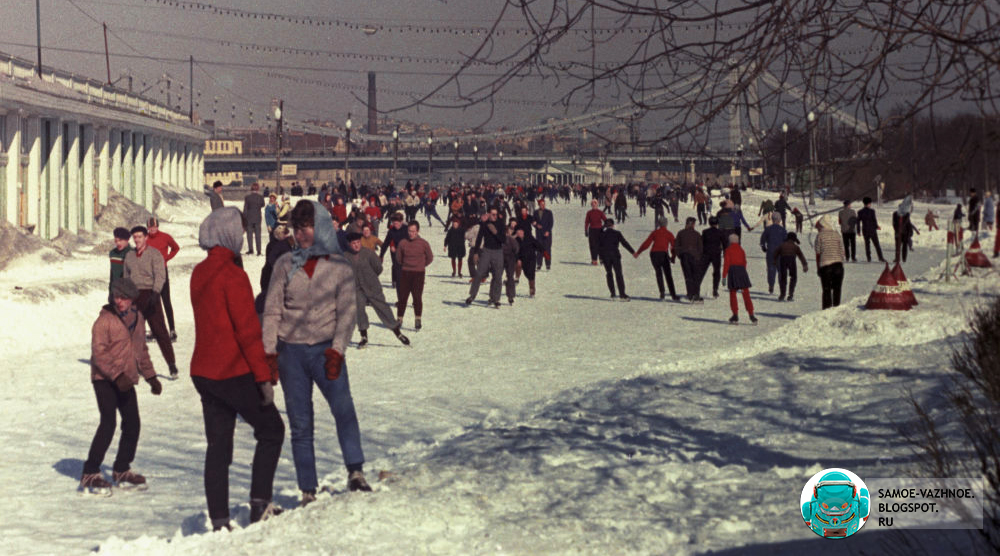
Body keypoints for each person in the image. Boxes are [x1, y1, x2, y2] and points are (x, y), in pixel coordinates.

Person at [261, 200, 372, 504]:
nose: (302, 233)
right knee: (300, 422)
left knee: (343, 409)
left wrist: (337, 350)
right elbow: (271, 311)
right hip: (291, 354)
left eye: (307, 226)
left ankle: (355, 470)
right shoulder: (284, 264)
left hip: (326, 351)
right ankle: (307, 488)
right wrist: (269, 353)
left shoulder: (338, 266)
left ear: (320, 227)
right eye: (297, 228)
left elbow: (347, 312)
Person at [189, 207, 285, 530]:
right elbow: (246, 331)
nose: (243, 237)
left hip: (203, 372)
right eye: (240, 232)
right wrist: (264, 378)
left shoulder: (199, 273)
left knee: (218, 447)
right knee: (272, 429)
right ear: (228, 234)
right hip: (232, 371)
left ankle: (219, 521)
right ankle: (259, 504)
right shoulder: (233, 275)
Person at [81, 277, 162, 495]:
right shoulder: (103, 322)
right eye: (117, 297)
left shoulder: (138, 318)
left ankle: (121, 468)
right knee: (108, 423)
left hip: (125, 380)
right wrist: (116, 376)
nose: (120, 302)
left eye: (124, 298)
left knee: (133, 423)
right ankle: (90, 472)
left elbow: (141, 350)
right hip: (104, 379)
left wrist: (150, 376)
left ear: (132, 299)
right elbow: (99, 355)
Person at [123, 226, 178, 378]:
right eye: (135, 237)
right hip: (135, 296)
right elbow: (126, 276)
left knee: (160, 331)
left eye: (140, 237)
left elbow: (160, 275)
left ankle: (172, 364)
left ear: (146, 237)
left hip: (150, 295)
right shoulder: (129, 256)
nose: (137, 240)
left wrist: (155, 292)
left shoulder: (155, 254)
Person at [344, 232, 410, 348]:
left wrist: (370, 277)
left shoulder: (369, 253)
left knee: (383, 308)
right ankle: (364, 336)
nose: (356, 245)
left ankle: (398, 333)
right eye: (354, 243)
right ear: (349, 244)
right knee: (359, 309)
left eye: (358, 242)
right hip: (357, 288)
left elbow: (378, 268)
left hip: (372, 286)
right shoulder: (346, 256)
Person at [394, 221, 434, 330]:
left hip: (418, 274)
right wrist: (406, 265)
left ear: (418, 231)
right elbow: (398, 258)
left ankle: (417, 319)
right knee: (403, 297)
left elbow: (430, 258)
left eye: (413, 231)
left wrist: (421, 265)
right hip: (405, 273)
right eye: (409, 231)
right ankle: (399, 319)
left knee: (417, 297)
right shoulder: (403, 243)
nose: (411, 233)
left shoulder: (423, 243)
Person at [466, 209, 505, 308]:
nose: (495, 216)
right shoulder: (485, 224)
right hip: (486, 250)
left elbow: (503, 240)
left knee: (497, 275)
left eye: (496, 215)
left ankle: (495, 298)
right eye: (493, 214)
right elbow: (479, 238)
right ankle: (472, 295)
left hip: (498, 251)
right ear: (489, 215)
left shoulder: (500, 224)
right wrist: (475, 253)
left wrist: (496, 232)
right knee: (479, 273)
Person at [633, 216, 679, 301]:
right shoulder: (669, 233)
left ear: (658, 223)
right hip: (663, 254)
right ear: (666, 224)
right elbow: (673, 247)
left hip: (654, 254)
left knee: (659, 273)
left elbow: (646, 243)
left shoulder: (654, 233)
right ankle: (673, 295)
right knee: (668, 274)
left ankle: (662, 292)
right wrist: (673, 257)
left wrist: (638, 252)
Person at [722, 234, 757, 324]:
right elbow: (744, 262)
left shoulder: (728, 250)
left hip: (733, 271)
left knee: (733, 293)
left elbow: (726, 263)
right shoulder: (741, 250)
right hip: (742, 271)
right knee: (746, 293)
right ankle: (751, 314)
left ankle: (735, 314)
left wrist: (724, 276)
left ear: (730, 241)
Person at [598, 219, 635, 300]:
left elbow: (599, 247)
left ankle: (613, 294)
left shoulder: (602, 234)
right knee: (619, 274)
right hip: (615, 256)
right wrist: (632, 252)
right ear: (613, 225)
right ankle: (622, 294)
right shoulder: (617, 233)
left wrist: (600, 258)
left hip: (605, 257)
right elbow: (624, 243)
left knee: (609, 273)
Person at [815, 214, 846, 309]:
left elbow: (818, 253)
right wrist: (841, 263)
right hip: (838, 266)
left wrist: (818, 268)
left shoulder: (820, 235)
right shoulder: (837, 234)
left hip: (825, 266)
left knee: (826, 290)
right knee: (837, 290)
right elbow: (842, 251)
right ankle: (836, 310)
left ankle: (826, 311)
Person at [675, 217, 704, 302]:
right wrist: (698, 256)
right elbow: (700, 248)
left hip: (684, 256)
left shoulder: (680, 233)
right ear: (693, 224)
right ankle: (696, 294)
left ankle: (690, 294)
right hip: (694, 257)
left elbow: (676, 246)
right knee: (696, 276)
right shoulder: (697, 234)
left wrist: (680, 255)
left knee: (688, 276)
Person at [759, 213, 788, 294]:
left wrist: (763, 247)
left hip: (770, 251)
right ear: (780, 220)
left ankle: (771, 285)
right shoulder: (783, 230)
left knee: (771, 269)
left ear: (772, 219)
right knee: (781, 270)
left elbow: (762, 240)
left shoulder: (768, 229)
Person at [775, 232, 808, 301]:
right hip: (791, 260)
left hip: (783, 260)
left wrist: (774, 262)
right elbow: (801, 256)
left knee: (783, 278)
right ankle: (790, 294)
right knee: (793, 277)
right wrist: (804, 265)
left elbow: (775, 253)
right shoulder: (795, 246)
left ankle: (782, 294)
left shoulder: (782, 245)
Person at [700, 216, 727, 298]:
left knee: (701, 271)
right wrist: (725, 253)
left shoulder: (705, 232)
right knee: (716, 272)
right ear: (717, 223)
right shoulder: (720, 232)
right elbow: (725, 244)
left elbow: (701, 243)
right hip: (716, 254)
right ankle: (715, 289)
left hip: (706, 254)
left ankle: (696, 288)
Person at [379, 214, 408, 288]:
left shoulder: (406, 229)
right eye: (394, 223)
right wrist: (381, 255)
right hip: (395, 250)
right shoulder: (391, 231)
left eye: (397, 223)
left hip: (405, 250)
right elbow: (385, 243)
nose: (395, 225)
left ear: (401, 222)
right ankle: (395, 281)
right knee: (396, 265)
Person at [515, 227, 542, 298]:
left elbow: (537, 245)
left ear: (523, 232)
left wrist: (543, 251)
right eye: (518, 232)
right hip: (522, 258)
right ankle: (516, 278)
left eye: (520, 232)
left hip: (531, 259)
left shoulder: (529, 238)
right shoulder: (516, 240)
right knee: (518, 263)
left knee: (530, 275)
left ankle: (532, 290)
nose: (519, 233)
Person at [857, 197, 886, 263]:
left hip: (865, 230)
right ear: (869, 203)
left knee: (867, 245)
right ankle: (880, 258)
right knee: (877, 245)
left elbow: (858, 222)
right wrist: (876, 226)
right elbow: (874, 220)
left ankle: (869, 258)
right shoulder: (872, 211)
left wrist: (858, 231)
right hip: (872, 230)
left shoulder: (860, 212)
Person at [108, 227, 132, 304]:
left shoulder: (133, 253)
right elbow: (112, 274)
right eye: (116, 241)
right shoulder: (113, 253)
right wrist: (110, 292)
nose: (118, 243)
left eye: (120, 240)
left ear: (127, 240)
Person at [243, 183, 266, 256]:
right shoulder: (260, 197)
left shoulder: (247, 197)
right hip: (257, 218)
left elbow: (245, 209)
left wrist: (244, 218)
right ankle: (258, 251)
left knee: (249, 235)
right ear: (258, 189)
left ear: (251, 189)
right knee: (258, 235)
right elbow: (263, 204)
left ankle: (251, 250)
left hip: (249, 218)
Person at [892, 196, 914, 264]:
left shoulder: (907, 215)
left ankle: (904, 258)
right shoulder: (895, 214)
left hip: (905, 233)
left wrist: (909, 232)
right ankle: (897, 258)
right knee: (897, 246)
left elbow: (906, 223)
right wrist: (897, 230)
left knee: (904, 246)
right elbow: (894, 223)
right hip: (898, 232)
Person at [584, 199, 606, 265]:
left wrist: (603, 227)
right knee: (593, 246)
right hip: (592, 231)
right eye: (592, 204)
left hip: (599, 230)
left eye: (595, 204)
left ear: (597, 205)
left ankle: (602, 259)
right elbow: (587, 222)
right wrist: (586, 230)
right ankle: (594, 260)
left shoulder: (600, 212)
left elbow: (606, 220)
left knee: (600, 245)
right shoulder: (589, 213)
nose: (594, 206)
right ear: (591, 205)